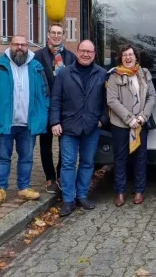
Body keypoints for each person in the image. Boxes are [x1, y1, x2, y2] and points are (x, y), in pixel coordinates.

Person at [0, 35, 50, 207]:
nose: (19, 47)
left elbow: (45, 94)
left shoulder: (36, 67)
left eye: (23, 44)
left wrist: (43, 116)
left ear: (28, 46)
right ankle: (0, 190)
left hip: (28, 124)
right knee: (3, 157)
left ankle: (24, 187)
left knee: (27, 157)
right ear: (10, 45)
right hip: (5, 122)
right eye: (16, 44)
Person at [50, 40, 109, 217]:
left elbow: (108, 102)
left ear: (94, 53)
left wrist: (102, 120)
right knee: (68, 164)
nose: (86, 54)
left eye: (89, 52)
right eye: (83, 51)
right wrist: (54, 122)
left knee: (87, 163)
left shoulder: (102, 74)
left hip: (92, 127)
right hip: (68, 126)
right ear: (77, 51)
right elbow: (55, 99)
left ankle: (82, 195)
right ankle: (68, 200)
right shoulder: (64, 74)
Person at [106, 44, 156, 207]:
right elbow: (112, 100)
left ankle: (139, 191)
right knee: (120, 158)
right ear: (121, 58)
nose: (128, 57)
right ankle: (120, 192)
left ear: (136, 57)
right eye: (125, 55)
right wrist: (130, 119)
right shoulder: (114, 75)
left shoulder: (144, 73)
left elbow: (151, 96)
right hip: (120, 124)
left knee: (140, 159)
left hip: (141, 123)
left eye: (131, 54)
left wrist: (142, 117)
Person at [34, 23, 77, 194]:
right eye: (53, 32)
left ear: (64, 36)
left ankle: (60, 174)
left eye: (60, 33)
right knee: (45, 144)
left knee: (64, 143)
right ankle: (49, 177)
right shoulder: (37, 56)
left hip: (64, 108)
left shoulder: (71, 58)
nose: (57, 36)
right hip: (44, 107)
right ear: (48, 35)